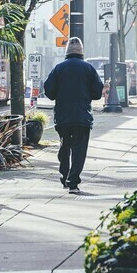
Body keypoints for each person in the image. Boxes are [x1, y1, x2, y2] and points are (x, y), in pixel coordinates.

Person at [43, 36, 104, 195]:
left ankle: (64, 176)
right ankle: (73, 182)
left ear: (67, 51)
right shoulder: (88, 68)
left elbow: (49, 91)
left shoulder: (59, 68)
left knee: (64, 146)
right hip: (82, 116)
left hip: (63, 116)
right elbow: (98, 93)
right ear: (82, 51)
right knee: (79, 150)